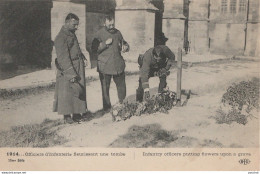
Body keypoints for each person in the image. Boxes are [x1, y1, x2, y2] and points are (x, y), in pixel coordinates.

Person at [53, 13, 88, 124]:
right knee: (67, 93)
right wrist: (71, 74)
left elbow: (76, 48)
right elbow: (63, 57)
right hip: (67, 69)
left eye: (77, 25)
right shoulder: (60, 37)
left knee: (78, 90)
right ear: (67, 23)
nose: (76, 27)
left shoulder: (71, 34)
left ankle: (77, 114)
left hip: (78, 66)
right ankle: (67, 116)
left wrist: (83, 57)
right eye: (74, 24)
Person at [92, 15, 129, 112]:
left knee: (121, 86)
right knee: (105, 88)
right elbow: (93, 49)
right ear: (104, 24)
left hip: (118, 64)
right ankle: (107, 108)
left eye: (113, 24)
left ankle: (122, 103)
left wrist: (126, 47)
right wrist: (104, 44)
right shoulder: (99, 34)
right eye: (109, 25)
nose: (112, 27)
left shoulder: (118, 32)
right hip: (105, 66)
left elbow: (123, 43)